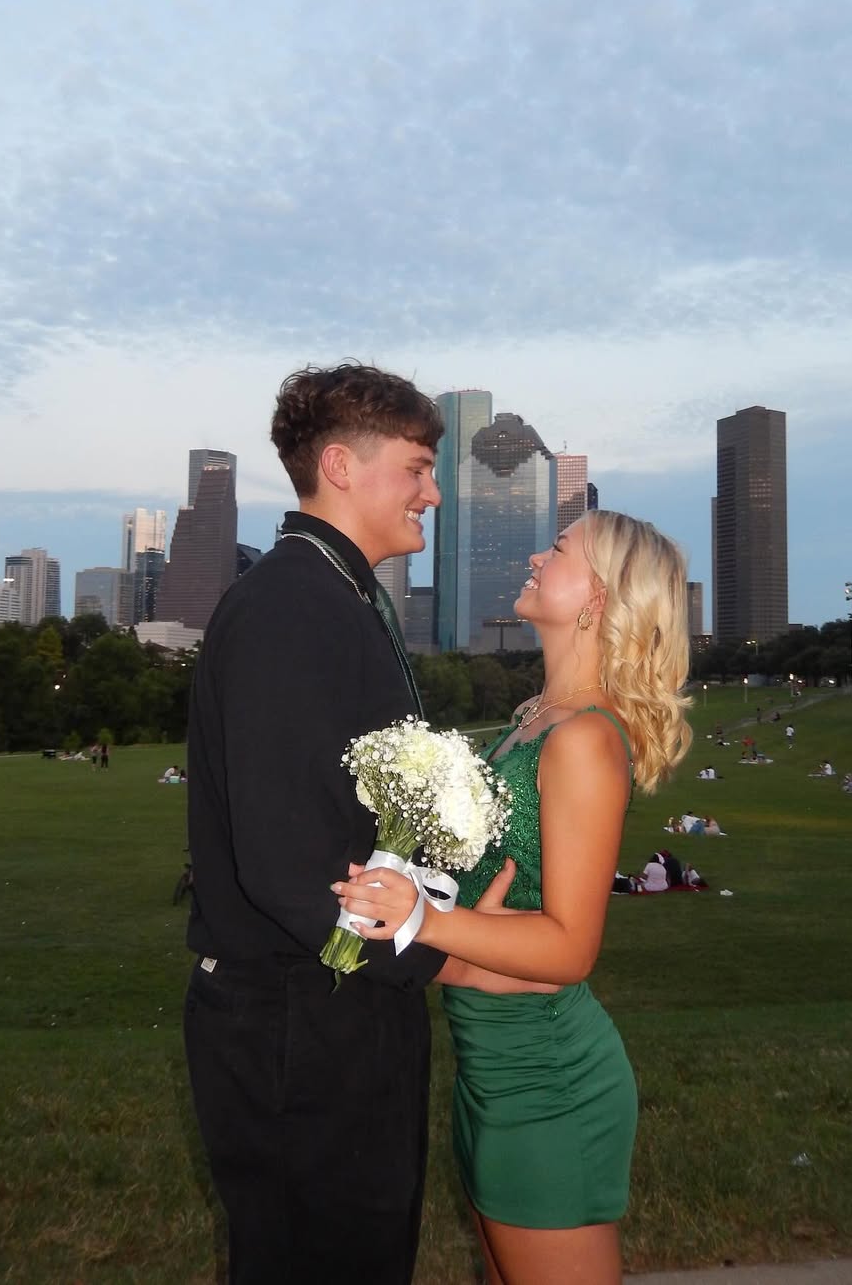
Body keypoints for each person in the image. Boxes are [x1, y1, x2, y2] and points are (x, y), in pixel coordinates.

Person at [336, 510, 692, 1285]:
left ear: (598, 600)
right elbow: (493, 906)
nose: (536, 556)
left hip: (547, 1076)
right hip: (489, 1066)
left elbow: (570, 948)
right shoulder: (532, 720)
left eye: (558, 549)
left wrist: (426, 919)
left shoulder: (584, 740)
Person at [184, 363, 483, 1284]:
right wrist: (441, 954)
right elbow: (284, 862)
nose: (433, 493)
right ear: (343, 466)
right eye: (418, 468)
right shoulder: (291, 606)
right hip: (301, 1021)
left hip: (338, 1007)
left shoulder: (336, 594)